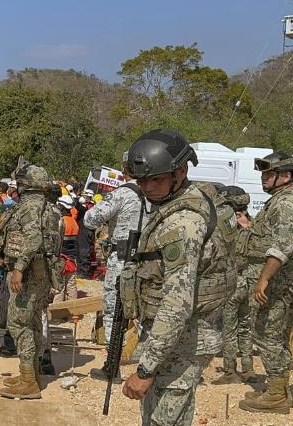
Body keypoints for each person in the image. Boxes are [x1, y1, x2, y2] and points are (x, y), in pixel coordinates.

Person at [120, 129, 229, 426]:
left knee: (161, 420)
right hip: (177, 337)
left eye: (155, 179)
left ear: (180, 172)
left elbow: (176, 304)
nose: (147, 188)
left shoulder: (182, 224)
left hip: (183, 340)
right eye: (142, 180)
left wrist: (146, 369)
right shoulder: (176, 203)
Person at [238, 152, 293, 414]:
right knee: (277, 334)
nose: (264, 178)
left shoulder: (286, 204)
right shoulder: (284, 200)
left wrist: (263, 279)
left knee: (266, 334)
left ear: (286, 176)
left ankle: (275, 396)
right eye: (263, 174)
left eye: (269, 174)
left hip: (276, 281)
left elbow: (282, 246)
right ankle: (279, 390)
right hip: (280, 279)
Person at [0, 160, 58, 400]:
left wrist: (19, 268)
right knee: (32, 323)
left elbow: (33, 239)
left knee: (18, 324)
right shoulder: (46, 207)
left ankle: (29, 380)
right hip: (41, 274)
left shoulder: (29, 207)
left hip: (29, 275)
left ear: (24, 185)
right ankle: (30, 375)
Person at [84, 163, 147, 382]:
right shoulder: (154, 193)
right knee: (146, 311)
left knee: (114, 311)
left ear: (125, 171)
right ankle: (151, 365)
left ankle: (113, 365)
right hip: (148, 261)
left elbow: (90, 219)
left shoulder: (123, 193)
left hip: (122, 259)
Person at [213, 185, 258, 385]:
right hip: (252, 282)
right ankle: (248, 369)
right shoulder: (254, 224)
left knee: (229, 328)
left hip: (234, 283)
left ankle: (230, 370)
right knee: (246, 326)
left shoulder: (226, 225)